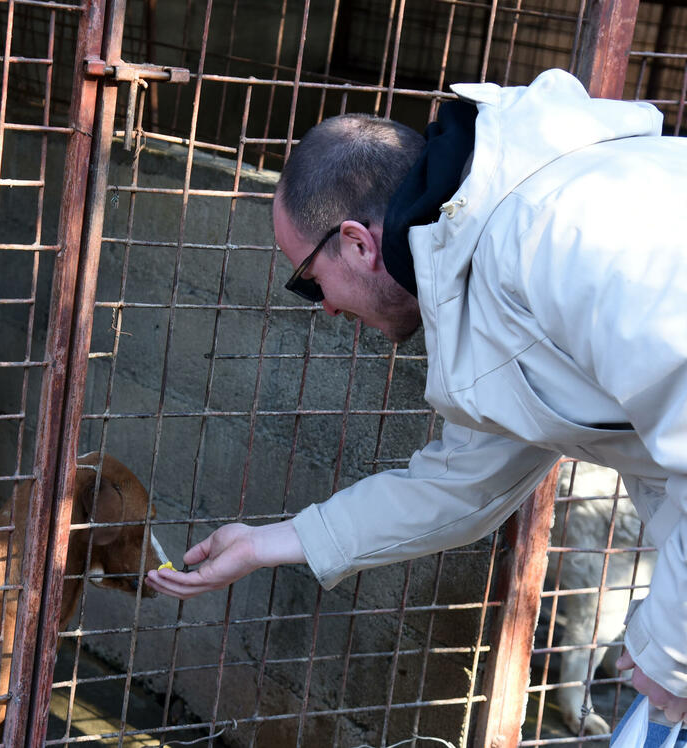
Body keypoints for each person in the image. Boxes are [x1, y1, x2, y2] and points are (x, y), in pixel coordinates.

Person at [145, 68, 687, 721]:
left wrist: (672, 655)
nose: (326, 313)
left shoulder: (566, 232)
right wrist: (275, 541)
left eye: (309, 283)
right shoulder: (486, 256)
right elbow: (464, 482)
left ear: (355, 243)